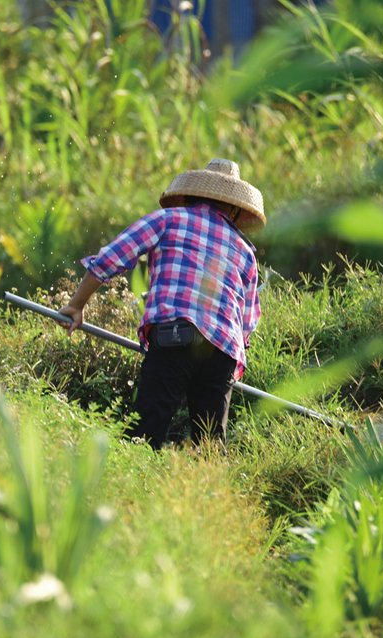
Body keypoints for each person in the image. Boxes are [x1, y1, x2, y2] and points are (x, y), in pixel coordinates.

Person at [57, 158, 265, 448]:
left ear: (192, 195)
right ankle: (209, 491)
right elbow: (247, 322)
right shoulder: (246, 253)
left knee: (144, 433)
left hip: (176, 337)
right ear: (234, 209)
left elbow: (112, 258)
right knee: (210, 444)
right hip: (222, 351)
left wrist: (77, 305)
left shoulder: (168, 220)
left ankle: (133, 488)